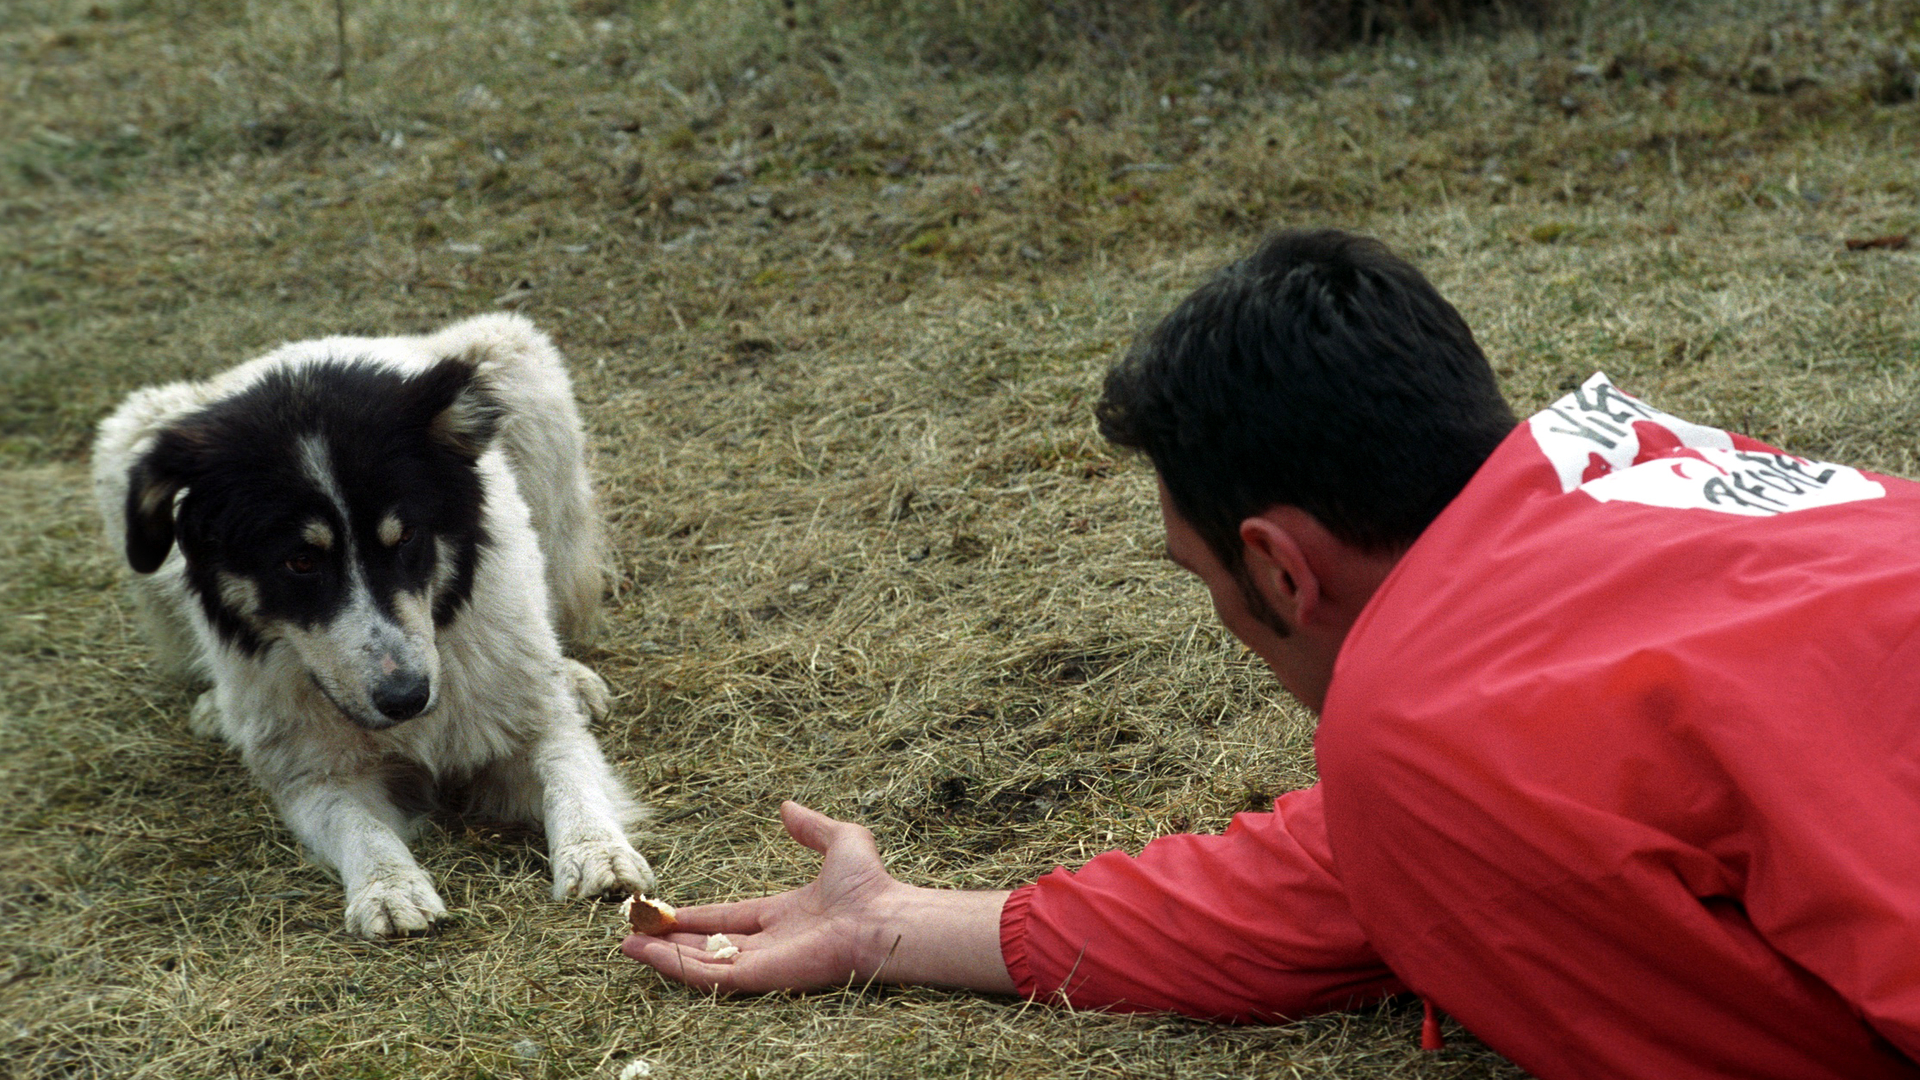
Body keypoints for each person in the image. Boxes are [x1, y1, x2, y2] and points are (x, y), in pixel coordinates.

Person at [622, 229, 1920, 1080]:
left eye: (1208, 584)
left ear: (1282, 569)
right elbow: (1351, 877)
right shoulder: (1600, 494)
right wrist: (892, 929)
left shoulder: (1422, 721)